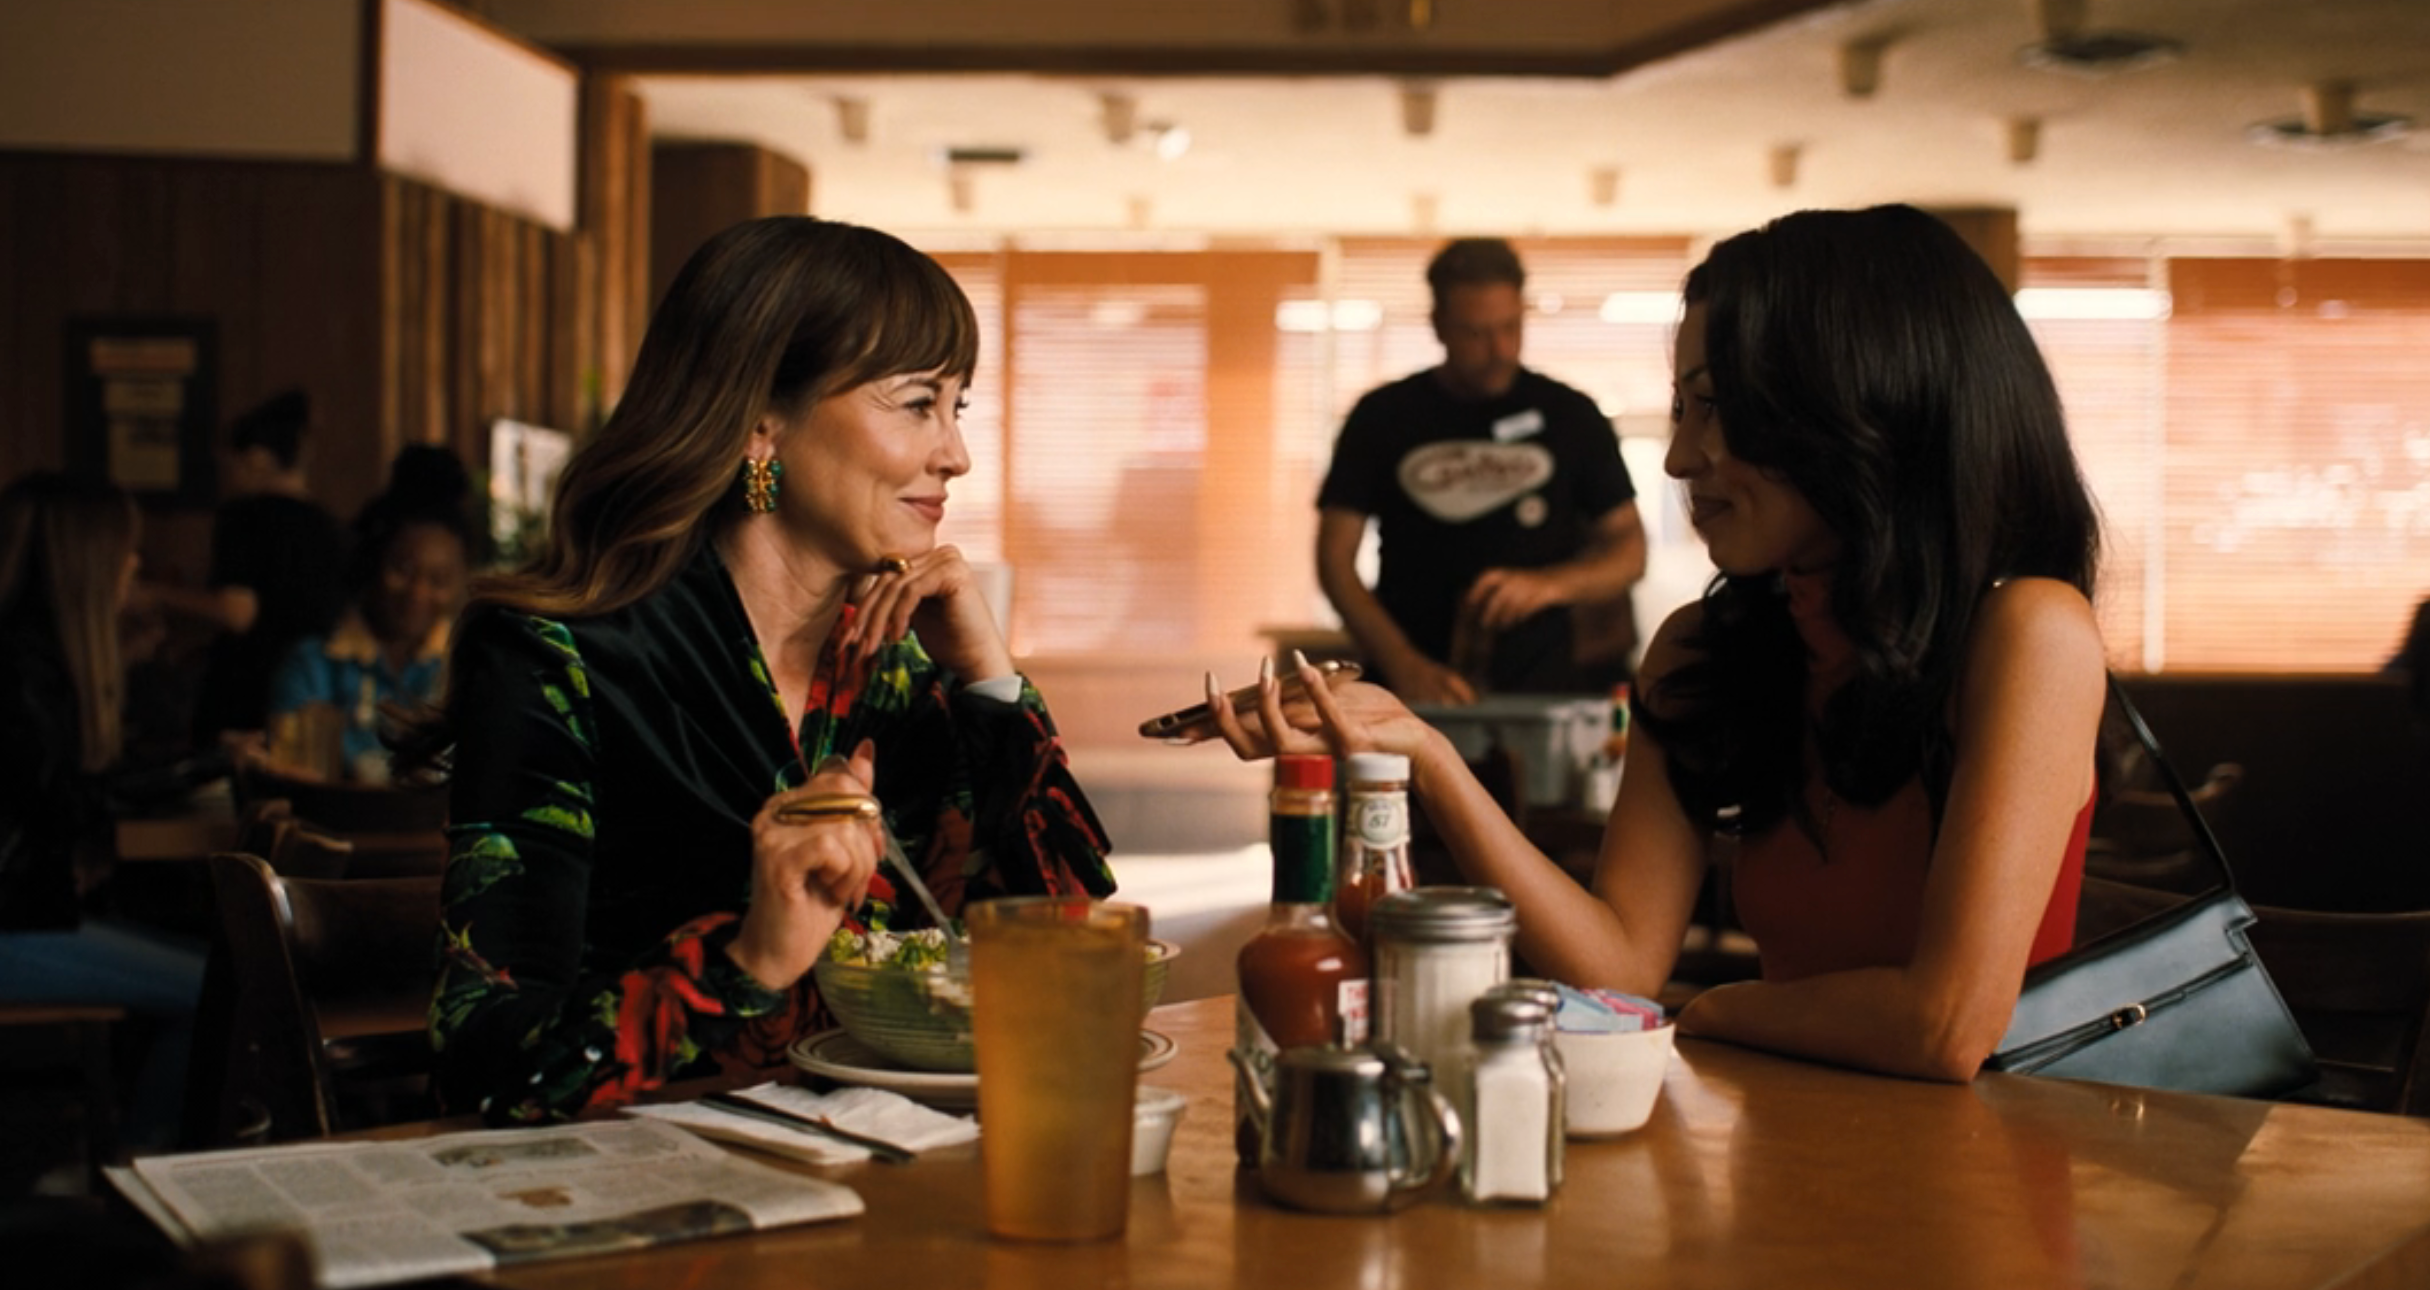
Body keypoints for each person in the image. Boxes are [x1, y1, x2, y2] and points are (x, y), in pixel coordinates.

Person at [1208, 205, 2106, 1083]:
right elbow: (1623, 968)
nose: (1679, 458)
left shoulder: (2030, 633)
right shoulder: (1703, 647)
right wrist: (1423, 750)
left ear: (1855, 405)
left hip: (1979, 1185)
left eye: (1716, 407)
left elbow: (1945, 1027)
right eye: (1682, 406)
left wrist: (1713, 1009)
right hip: (1788, 1166)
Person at [403, 216, 1116, 1124]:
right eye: (915, 403)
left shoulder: (897, 673)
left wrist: (990, 682)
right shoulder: (559, 661)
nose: (957, 454)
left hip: (888, 1186)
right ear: (761, 425)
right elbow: (484, 1068)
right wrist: (749, 960)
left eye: (958, 406)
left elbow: (1051, 965)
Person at [1316, 237, 1649, 704]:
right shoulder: (1382, 416)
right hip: (1411, 689)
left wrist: (1551, 585)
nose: (1499, 349)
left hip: (1542, 694)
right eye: (1476, 333)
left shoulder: (1571, 415)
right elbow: (1334, 558)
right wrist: (1403, 665)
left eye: (1510, 327)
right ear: (1438, 326)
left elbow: (1630, 550)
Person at [0, 472, 216, 1152]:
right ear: (88, 564)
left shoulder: (30, 659)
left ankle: (132, 1167)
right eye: (126, 552)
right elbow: (78, 801)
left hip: (29, 915)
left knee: (216, 965)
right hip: (16, 927)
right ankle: (141, 1180)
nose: (135, 567)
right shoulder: (23, 677)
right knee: (229, 984)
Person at [263, 453, 474, 783]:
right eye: (401, 571)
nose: (417, 594)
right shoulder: (314, 664)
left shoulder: (470, 668)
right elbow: (292, 767)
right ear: (371, 564)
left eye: (439, 580)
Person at [183, 389, 351, 742]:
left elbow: (236, 612)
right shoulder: (331, 527)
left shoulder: (243, 517)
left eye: (231, 464)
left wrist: (156, 597)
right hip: (311, 697)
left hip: (244, 696)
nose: (228, 477)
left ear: (257, 458)